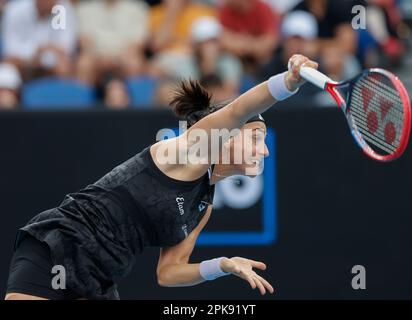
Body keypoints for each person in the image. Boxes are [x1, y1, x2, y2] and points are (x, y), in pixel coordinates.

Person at [5, 54, 318, 300]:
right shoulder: (188, 152)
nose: (264, 151)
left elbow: (169, 272)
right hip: (61, 244)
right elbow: (238, 109)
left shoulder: (203, 206)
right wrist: (287, 82)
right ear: (226, 135)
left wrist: (222, 265)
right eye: (255, 138)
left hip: (99, 276)